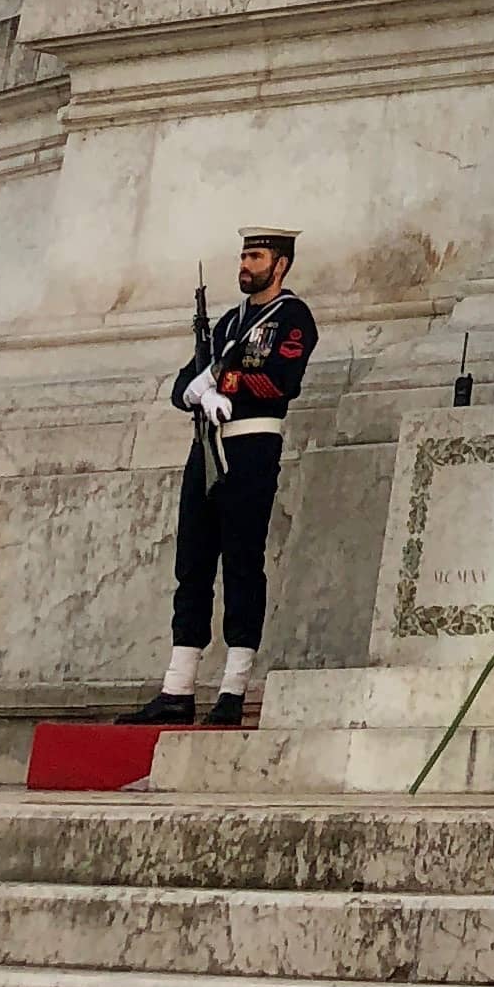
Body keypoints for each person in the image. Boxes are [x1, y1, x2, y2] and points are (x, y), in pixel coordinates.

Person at [140, 225, 320, 727]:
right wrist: (197, 391)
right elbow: (182, 384)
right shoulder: (225, 324)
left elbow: (284, 381)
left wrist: (227, 386)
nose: (245, 264)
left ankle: (233, 689)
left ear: (279, 264)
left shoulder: (293, 318)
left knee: (242, 563)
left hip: (252, 446)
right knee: (192, 565)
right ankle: (177, 687)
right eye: (243, 255)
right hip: (207, 448)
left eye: (255, 256)